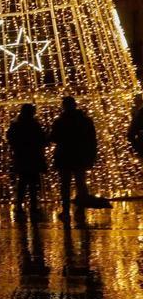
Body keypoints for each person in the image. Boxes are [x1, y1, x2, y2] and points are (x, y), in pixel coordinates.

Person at [49, 96, 98, 226]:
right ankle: (80, 209)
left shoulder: (60, 121)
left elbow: (54, 137)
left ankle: (65, 210)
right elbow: (92, 139)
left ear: (64, 106)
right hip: (80, 156)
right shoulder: (85, 120)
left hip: (64, 156)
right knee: (80, 182)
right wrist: (91, 154)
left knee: (65, 184)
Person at [6, 103, 47, 222]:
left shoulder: (16, 124)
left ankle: (20, 205)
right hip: (33, 156)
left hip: (22, 156)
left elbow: (10, 138)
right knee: (33, 182)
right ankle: (33, 206)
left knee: (23, 182)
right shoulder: (34, 125)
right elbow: (42, 138)